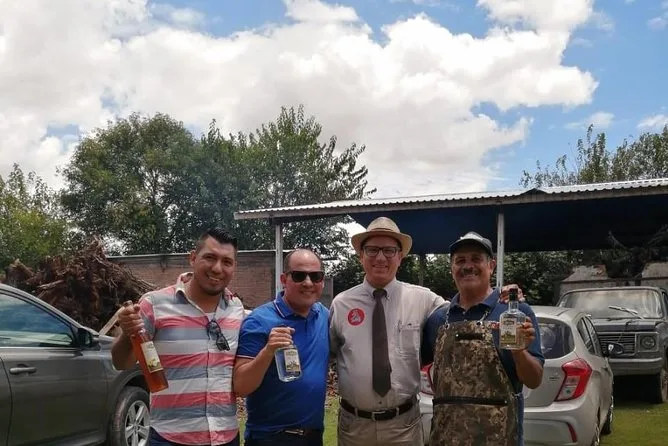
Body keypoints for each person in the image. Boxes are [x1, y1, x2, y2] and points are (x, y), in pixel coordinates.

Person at [111, 228, 245, 446]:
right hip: (169, 438)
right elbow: (121, 363)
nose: (217, 268)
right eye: (210, 257)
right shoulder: (154, 304)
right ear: (192, 257)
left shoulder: (236, 309)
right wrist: (127, 333)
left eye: (227, 262)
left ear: (234, 267)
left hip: (225, 437)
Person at [329, 216, 445, 446]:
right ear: (360, 256)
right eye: (372, 250)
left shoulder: (423, 300)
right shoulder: (341, 304)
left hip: (404, 427)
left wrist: (504, 300)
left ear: (400, 257)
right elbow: (329, 354)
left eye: (389, 250)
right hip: (355, 428)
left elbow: (464, 311)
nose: (380, 258)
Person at [422, 231, 544, 446]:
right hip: (445, 438)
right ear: (452, 269)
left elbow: (534, 380)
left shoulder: (516, 313)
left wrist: (519, 352)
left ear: (491, 266)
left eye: (476, 259)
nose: (468, 266)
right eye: (460, 260)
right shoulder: (438, 319)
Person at [233, 249, 330, 446]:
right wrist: (268, 351)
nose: (308, 283)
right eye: (299, 276)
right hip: (270, 437)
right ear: (284, 280)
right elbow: (241, 386)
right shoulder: (259, 321)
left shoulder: (325, 316)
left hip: (313, 436)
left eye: (316, 276)